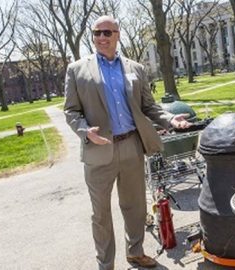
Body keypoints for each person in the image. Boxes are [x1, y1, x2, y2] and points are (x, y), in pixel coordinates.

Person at [64, 15, 190, 270]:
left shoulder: (135, 69)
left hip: (132, 146)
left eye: (107, 32)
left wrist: (169, 119)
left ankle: (135, 252)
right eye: (96, 33)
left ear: (117, 34)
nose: (101, 37)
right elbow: (71, 111)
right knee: (100, 214)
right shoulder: (77, 70)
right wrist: (85, 131)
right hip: (98, 151)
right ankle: (105, 264)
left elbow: (149, 107)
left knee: (135, 207)